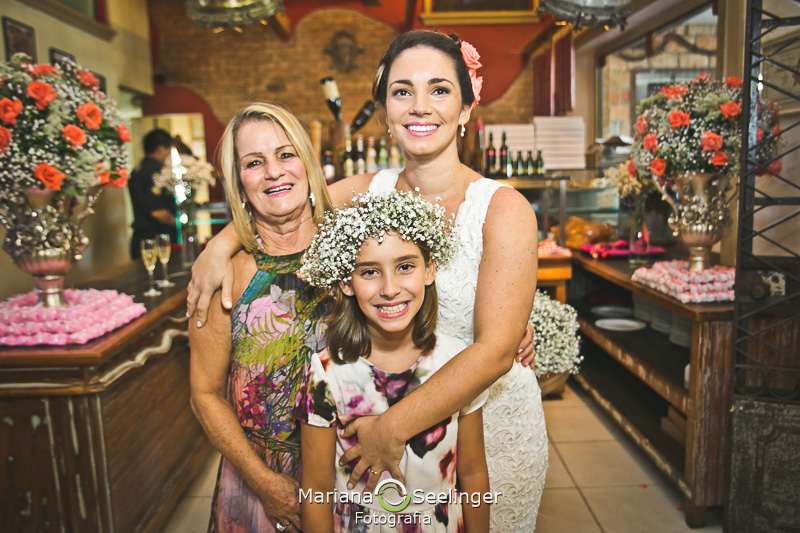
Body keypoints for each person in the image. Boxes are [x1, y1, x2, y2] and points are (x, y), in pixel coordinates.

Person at [188, 31, 546, 530]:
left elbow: (494, 350)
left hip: (480, 429)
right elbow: (285, 203)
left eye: (440, 89)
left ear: (467, 108)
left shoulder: (505, 208)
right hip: (371, 420)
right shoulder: (363, 192)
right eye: (402, 91)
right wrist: (217, 247)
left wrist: (389, 430)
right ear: (384, 112)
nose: (420, 106)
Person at [296, 191, 490, 532]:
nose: (389, 289)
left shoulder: (459, 362)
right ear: (346, 283)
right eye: (370, 272)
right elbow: (316, 489)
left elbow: (472, 472)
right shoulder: (327, 374)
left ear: (429, 270)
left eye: (405, 267)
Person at [189, 102, 334, 533]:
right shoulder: (225, 276)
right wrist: (265, 483)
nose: (274, 171)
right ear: (239, 182)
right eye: (254, 163)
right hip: (259, 482)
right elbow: (205, 394)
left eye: (286, 155)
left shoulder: (354, 255)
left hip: (349, 472)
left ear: (307, 164)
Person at [128, 128, 177, 259]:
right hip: (155, 239)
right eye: (169, 149)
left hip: (141, 238)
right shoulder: (154, 172)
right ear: (161, 148)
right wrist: (182, 225)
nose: (169, 154)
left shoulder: (138, 170)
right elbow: (158, 212)